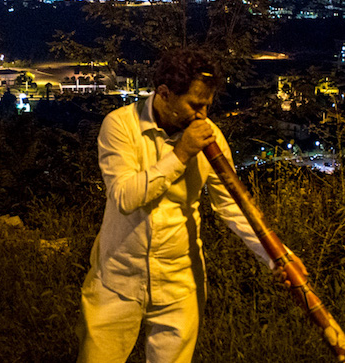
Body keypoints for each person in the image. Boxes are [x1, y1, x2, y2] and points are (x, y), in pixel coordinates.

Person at [76, 49, 306, 363]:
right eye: (195, 105)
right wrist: (180, 155)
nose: (202, 115)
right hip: (118, 280)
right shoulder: (120, 126)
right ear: (164, 94)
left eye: (208, 105)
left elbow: (233, 208)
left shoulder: (212, 139)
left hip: (179, 282)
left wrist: (277, 258)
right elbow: (125, 197)